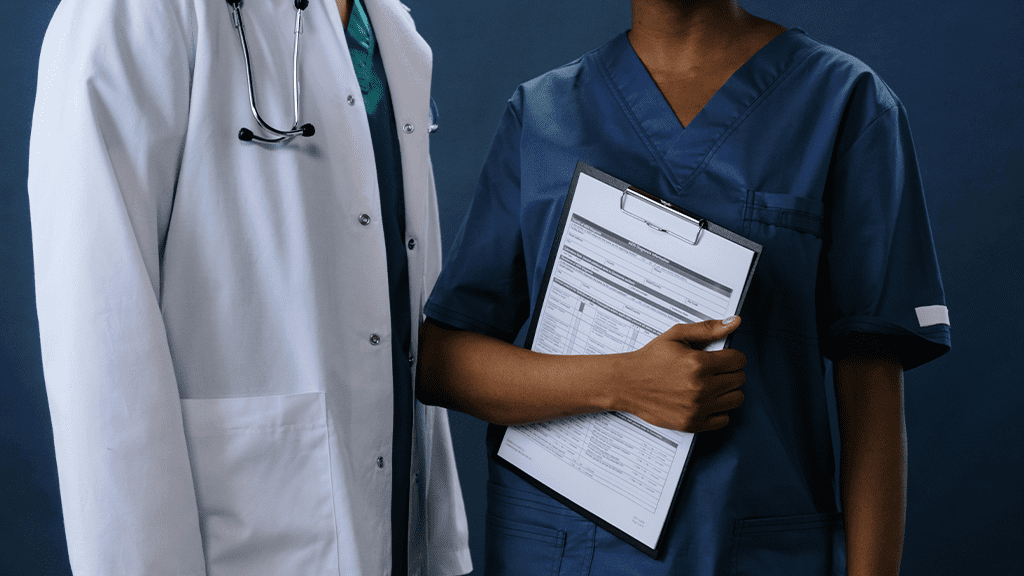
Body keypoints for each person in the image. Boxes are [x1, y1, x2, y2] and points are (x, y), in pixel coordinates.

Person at [416, 1, 950, 574]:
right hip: (562, 552)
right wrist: (622, 383)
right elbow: (442, 361)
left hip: (747, 548)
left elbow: (870, 390)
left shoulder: (844, 104)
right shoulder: (543, 114)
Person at [27, 0, 471, 574]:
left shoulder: (389, 26)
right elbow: (100, 336)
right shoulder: (134, 12)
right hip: (241, 535)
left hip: (389, 518)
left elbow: (400, 303)